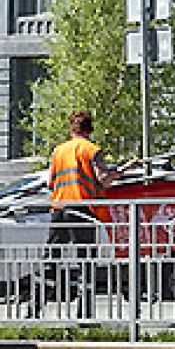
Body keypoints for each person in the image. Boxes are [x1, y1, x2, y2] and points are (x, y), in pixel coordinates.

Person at [40, 110, 117, 317]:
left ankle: (36, 307)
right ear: (90, 129)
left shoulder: (58, 151)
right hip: (82, 210)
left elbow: (50, 182)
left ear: (71, 129)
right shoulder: (92, 150)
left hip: (59, 209)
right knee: (86, 261)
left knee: (51, 258)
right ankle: (84, 315)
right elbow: (103, 179)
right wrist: (117, 173)